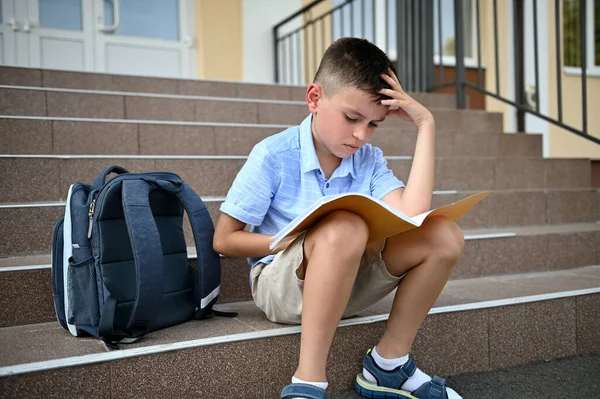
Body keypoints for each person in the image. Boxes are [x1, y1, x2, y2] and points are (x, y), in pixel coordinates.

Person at [213, 37, 464, 399]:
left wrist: (425, 124)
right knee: (345, 226)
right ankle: (308, 381)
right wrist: (296, 239)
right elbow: (224, 239)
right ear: (315, 98)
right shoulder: (273, 155)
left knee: (444, 235)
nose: (361, 135)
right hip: (283, 288)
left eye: (374, 124)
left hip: (348, 282)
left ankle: (388, 365)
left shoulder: (369, 160)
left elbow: (414, 217)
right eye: (351, 118)